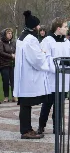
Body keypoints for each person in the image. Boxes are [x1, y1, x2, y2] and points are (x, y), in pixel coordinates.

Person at [13, 10, 50, 139]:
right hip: (28, 76)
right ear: (34, 26)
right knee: (25, 104)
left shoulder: (21, 37)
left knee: (25, 104)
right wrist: (44, 54)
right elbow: (36, 59)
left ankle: (27, 128)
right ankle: (25, 130)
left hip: (23, 74)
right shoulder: (31, 39)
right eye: (38, 25)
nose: (39, 27)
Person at [37, 17, 70, 135]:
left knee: (60, 104)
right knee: (47, 103)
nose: (67, 29)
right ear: (58, 28)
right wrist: (59, 63)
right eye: (65, 27)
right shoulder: (47, 41)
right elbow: (46, 58)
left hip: (63, 77)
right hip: (52, 77)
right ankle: (41, 126)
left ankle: (57, 127)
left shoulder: (66, 41)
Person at [0, 28, 16, 103]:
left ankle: (13, 96)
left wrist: (15, 54)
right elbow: (1, 53)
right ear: (5, 34)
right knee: (5, 81)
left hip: (12, 64)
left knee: (13, 81)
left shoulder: (13, 43)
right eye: (8, 33)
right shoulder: (1, 42)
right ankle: (6, 96)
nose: (10, 35)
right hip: (4, 64)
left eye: (11, 33)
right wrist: (11, 56)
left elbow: (15, 50)